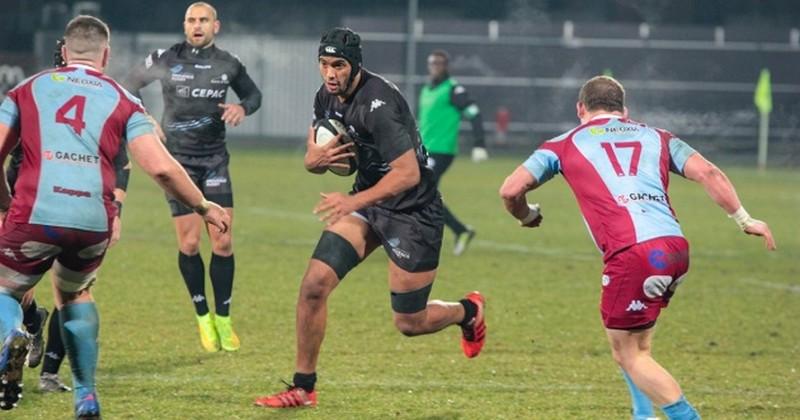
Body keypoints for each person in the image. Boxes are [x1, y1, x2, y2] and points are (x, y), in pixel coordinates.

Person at [499, 75, 776, 420]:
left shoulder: (563, 144)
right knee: (636, 345)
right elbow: (708, 172)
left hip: (635, 254)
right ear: (624, 111)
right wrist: (745, 219)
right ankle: (641, 413)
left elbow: (510, 190)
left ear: (580, 109)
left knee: (630, 354)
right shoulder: (658, 137)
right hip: (674, 249)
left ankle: (685, 417)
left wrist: (525, 216)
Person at [0, 15, 229, 417]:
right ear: (105, 55)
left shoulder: (25, 90)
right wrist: (203, 206)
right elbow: (160, 168)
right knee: (75, 294)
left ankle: (9, 337)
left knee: (5, 291)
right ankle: (85, 394)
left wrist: (5, 202)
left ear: (64, 50)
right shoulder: (125, 99)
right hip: (93, 221)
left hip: (36, 211)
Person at [254, 27, 486, 409]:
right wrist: (313, 162)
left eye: (339, 65)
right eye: (324, 64)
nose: (330, 74)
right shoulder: (324, 98)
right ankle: (303, 387)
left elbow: (408, 173)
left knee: (409, 322)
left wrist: (353, 199)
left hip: (414, 212)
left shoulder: (378, 104)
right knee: (313, 286)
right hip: (367, 205)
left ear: (356, 65)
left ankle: (469, 311)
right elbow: (323, 155)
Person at [123, 1, 262, 353]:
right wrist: (146, 118)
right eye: (191, 20)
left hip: (214, 161)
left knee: (224, 241)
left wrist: (241, 107)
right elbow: (128, 85)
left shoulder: (229, 64)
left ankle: (224, 318)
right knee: (188, 244)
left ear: (216, 26)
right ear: (184, 26)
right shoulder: (166, 59)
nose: (197, 25)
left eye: (203, 20)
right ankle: (202, 316)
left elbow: (253, 94)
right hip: (177, 163)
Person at [11, 37, 132, 393]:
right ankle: (31, 324)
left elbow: (121, 161)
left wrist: (117, 210)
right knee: (20, 289)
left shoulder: (99, 102)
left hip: (73, 204)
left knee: (66, 290)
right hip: (25, 198)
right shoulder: (35, 94)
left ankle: (49, 373)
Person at [418, 49, 487, 256]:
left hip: (442, 152)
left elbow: (474, 114)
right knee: (422, 195)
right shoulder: (426, 90)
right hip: (424, 151)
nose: (435, 67)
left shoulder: (453, 90)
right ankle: (458, 231)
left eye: (439, 63)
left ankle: (454, 232)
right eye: (432, 63)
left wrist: (479, 144)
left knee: (423, 192)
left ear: (446, 66)